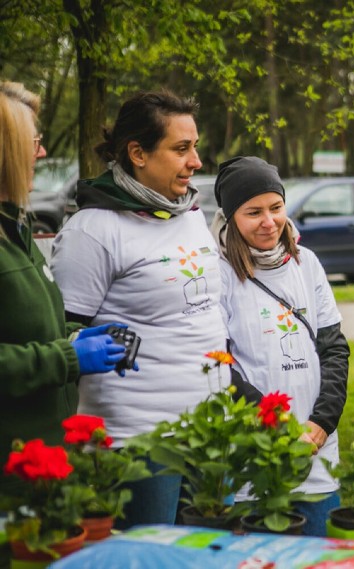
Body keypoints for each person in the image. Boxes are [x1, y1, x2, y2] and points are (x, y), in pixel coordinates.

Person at [50, 91, 228, 529]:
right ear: (138, 153)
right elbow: (63, 335)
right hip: (138, 443)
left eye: (195, 147)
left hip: (208, 434)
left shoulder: (186, 215)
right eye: (181, 149)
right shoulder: (92, 231)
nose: (197, 162)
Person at [0, 81, 128, 566]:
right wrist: (66, 357)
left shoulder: (16, 230)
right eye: (33, 142)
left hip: (43, 474)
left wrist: (75, 341)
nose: (43, 152)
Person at [211, 156, 350, 537]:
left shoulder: (307, 264)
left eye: (275, 207)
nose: (269, 221)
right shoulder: (219, 272)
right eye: (253, 212)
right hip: (255, 449)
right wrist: (273, 425)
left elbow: (335, 349)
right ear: (230, 217)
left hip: (315, 448)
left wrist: (321, 423)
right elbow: (219, 365)